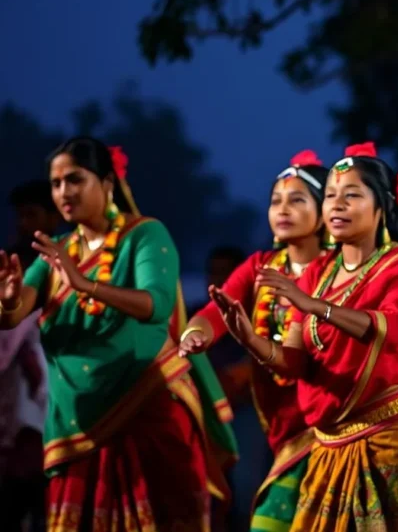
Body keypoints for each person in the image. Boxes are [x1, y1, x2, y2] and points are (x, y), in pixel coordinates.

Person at [205, 142, 398, 531]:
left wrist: (316, 307)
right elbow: (294, 362)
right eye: (331, 195)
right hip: (331, 446)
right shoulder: (320, 275)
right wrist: (250, 339)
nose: (337, 204)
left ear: (381, 206)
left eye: (351, 195)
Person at [0, 137, 237, 530]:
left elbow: (155, 304)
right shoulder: (56, 250)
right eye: (56, 184)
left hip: (147, 410)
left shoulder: (145, 235)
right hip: (77, 425)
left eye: (75, 179)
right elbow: (13, 315)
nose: (64, 192)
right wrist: (8, 300)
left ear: (107, 183)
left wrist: (85, 284)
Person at [179, 150, 331, 532]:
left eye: (297, 200)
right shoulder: (260, 267)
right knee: (256, 497)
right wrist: (196, 334)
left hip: (331, 418)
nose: (282, 209)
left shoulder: (341, 269)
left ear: (324, 212)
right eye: (276, 201)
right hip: (277, 413)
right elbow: (218, 308)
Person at [0, 181, 59, 531]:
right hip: (20, 407)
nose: (24, 224)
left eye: (32, 215)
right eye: (20, 216)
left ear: (54, 218)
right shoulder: (12, 265)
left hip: (54, 404)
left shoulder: (66, 266)